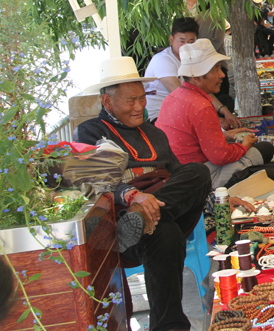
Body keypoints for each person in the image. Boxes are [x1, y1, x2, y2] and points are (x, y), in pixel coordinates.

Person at [74, 57, 214, 331]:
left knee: (198, 171)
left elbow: (180, 176)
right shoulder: (90, 132)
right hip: (120, 225)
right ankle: (169, 326)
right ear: (107, 102)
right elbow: (91, 182)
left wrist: (212, 196)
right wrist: (131, 196)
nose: (139, 107)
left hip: (160, 210)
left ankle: (146, 215)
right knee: (164, 233)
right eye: (130, 101)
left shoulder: (154, 133)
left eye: (142, 98)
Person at [156, 39, 274, 188]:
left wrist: (224, 136)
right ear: (196, 77)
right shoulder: (201, 106)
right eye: (216, 69)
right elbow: (220, 157)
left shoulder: (172, 97)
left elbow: (191, 139)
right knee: (263, 149)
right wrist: (244, 146)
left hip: (175, 172)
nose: (222, 75)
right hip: (198, 177)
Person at [144, 17, 240, 129]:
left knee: (226, 101)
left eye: (191, 42)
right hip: (158, 118)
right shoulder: (163, 60)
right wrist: (213, 119)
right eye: (182, 41)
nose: (186, 46)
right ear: (171, 39)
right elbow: (183, 97)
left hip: (182, 111)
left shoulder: (191, 60)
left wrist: (224, 111)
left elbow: (201, 89)